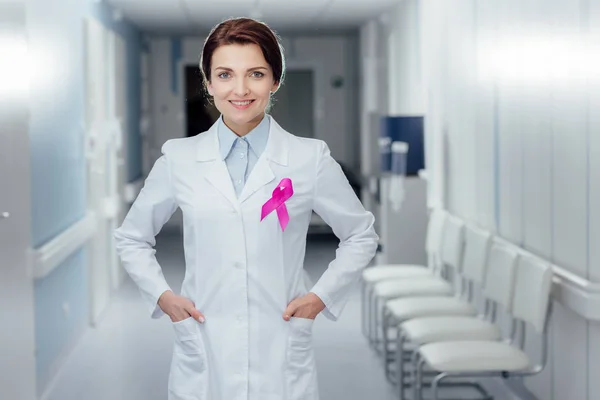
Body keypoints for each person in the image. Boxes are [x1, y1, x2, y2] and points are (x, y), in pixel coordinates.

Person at [114, 17, 379, 400]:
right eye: (224, 74)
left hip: (282, 343)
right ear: (208, 83)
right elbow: (132, 238)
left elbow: (360, 235)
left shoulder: (309, 157)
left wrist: (321, 296)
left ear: (275, 80)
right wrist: (163, 297)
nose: (240, 89)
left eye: (255, 74)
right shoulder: (180, 158)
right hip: (204, 342)